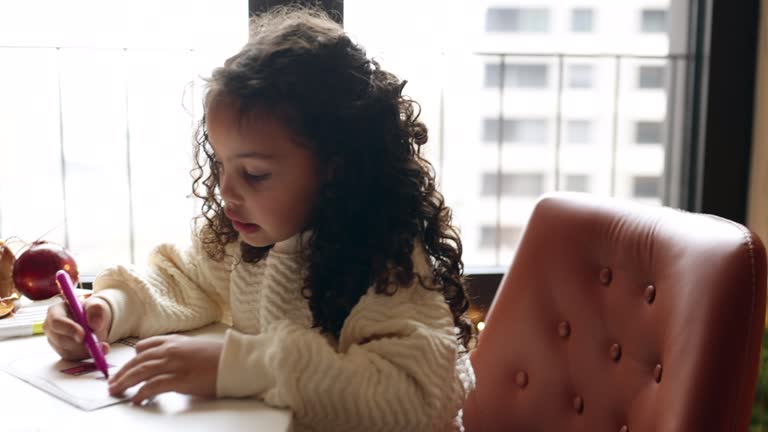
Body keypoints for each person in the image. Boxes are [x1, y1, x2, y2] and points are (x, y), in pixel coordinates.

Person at [43, 6, 475, 431]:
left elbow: (415, 396)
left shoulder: (387, 263)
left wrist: (241, 367)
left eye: (254, 174)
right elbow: (182, 280)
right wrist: (108, 309)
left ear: (336, 168)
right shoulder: (245, 243)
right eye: (221, 167)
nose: (227, 191)